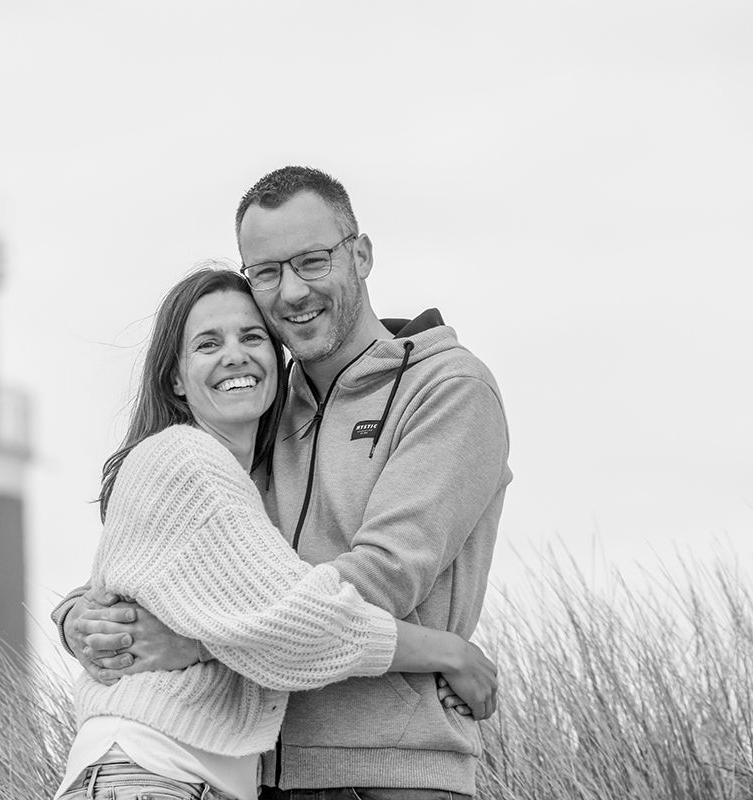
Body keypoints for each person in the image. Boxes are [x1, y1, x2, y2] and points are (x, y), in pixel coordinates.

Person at [56, 167, 512, 799]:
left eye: (312, 261)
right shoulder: (262, 408)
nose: (291, 291)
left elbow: (387, 576)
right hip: (256, 773)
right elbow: (180, 562)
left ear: (361, 254)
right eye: (266, 272)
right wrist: (79, 616)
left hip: (392, 772)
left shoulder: (446, 391)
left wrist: (197, 639)